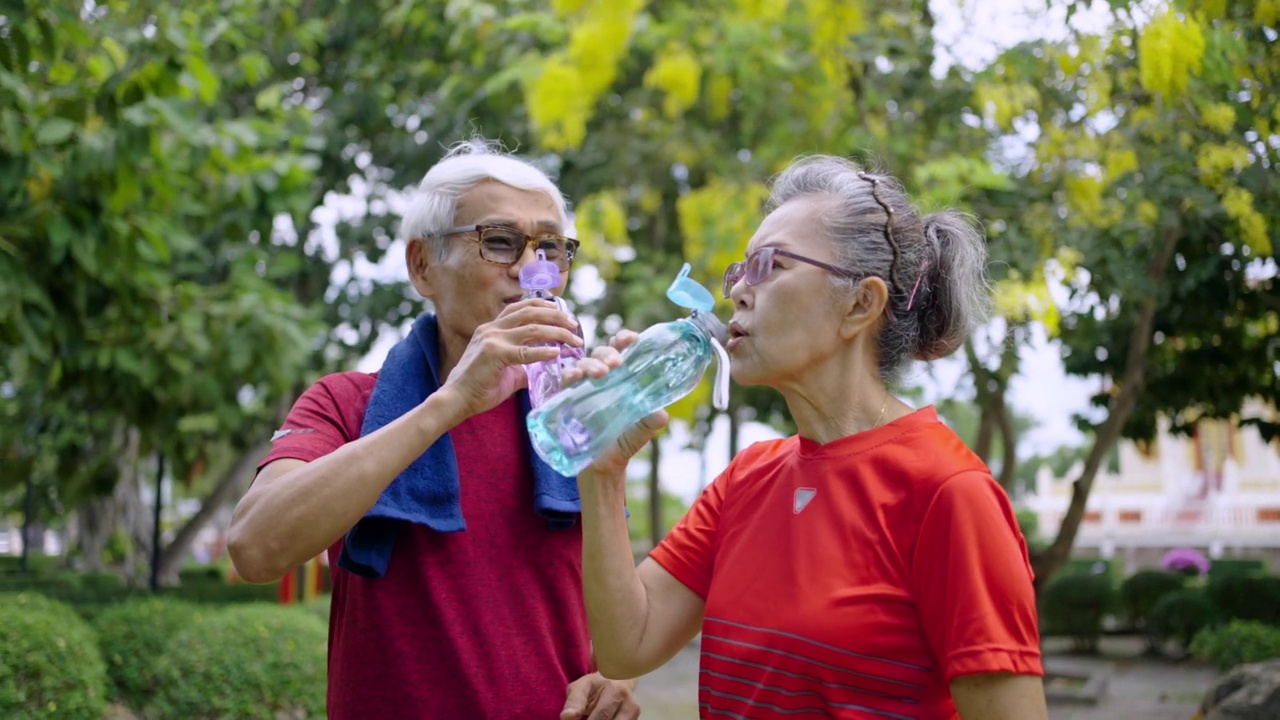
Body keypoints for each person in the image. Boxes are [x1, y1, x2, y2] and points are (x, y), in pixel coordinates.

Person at [567, 155, 1048, 719]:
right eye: (738, 272)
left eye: (769, 266)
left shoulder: (949, 493)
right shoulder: (748, 478)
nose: (738, 293)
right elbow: (628, 643)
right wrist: (603, 474)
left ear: (860, 303)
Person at [227, 138, 641, 720]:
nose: (532, 270)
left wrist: (615, 673)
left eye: (551, 246)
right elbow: (255, 548)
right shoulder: (348, 404)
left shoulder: (576, 415)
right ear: (423, 266)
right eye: (500, 242)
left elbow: (611, 612)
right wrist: (447, 406)